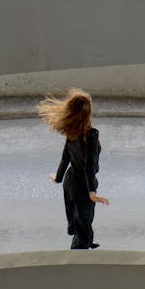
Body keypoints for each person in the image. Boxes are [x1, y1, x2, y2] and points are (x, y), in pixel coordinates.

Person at [37, 88, 109, 249]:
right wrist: (92, 192)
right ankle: (80, 250)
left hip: (70, 181)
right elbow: (89, 165)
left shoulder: (72, 133)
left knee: (81, 220)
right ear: (87, 113)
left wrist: (58, 177)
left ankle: (86, 240)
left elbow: (65, 157)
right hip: (83, 184)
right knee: (83, 219)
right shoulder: (91, 135)